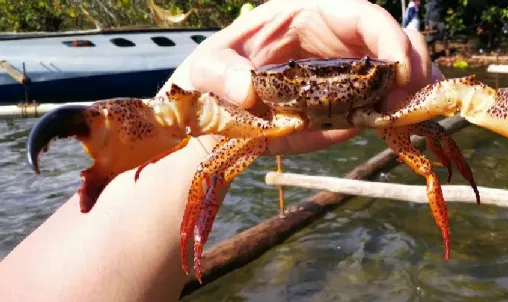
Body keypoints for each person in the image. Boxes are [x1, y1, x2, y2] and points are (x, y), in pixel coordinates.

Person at [0, 0, 441, 301]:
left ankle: (443, 232)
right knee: (209, 171)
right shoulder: (243, 114)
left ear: (378, 72)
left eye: (359, 72)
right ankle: (195, 244)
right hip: (269, 117)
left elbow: (464, 101)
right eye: (294, 76)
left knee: (429, 163)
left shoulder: (393, 106)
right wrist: (204, 117)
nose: (321, 89)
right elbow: (197, 147)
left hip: (374, 111)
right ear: (272, 76)